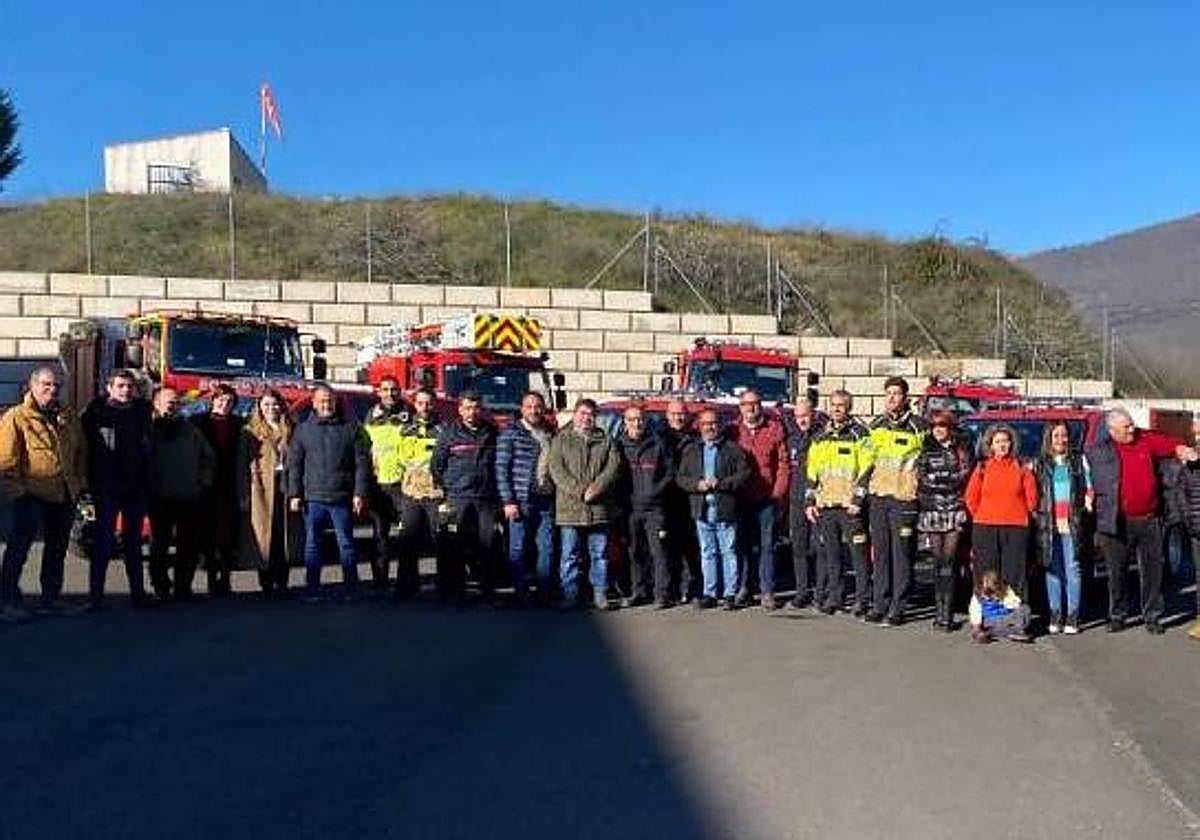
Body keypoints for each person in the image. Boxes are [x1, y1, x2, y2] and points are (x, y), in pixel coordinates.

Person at [1088, 407, 1197, 634]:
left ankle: (1152, 615)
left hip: (1149, 519)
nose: (1132, 429)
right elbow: (1085, 474)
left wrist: (1181, 449)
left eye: (1131, 424)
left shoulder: (1144, 439)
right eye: (1126, 427)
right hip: (1117, 520)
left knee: (1152, 571)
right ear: (1112, 431)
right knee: (1116, 572)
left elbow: (1169, 445)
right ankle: (1118, 615)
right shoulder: (1099, 450)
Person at [0, 365, 88, 621]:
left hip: (64, 495)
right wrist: (19, 492)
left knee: (56, 550)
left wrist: (79, 485)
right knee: (18, 550)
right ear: (32, 386)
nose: (52, 390)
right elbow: (6, 460)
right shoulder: (17, 417)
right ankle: (7, 601)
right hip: (31, 496)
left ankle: (51, 598)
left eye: (56, 385)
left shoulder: (68, 417)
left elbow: (81, 452)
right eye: (46, 384)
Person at [288, 385, 370, 602]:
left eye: (330, 400)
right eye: (322, 400)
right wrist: (294, 494)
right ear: (314, 403)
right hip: (312, 498)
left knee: (346, 544)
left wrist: (359, 493)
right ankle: (312, 589)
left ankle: (351, 588)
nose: (327, 404)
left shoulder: (350, 428)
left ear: (336, 402)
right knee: (312, 545)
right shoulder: (303, 430)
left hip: (341, 497)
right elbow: (294, 465)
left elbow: (361, 465)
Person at [80, 369, 154, 610]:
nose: (125, 390)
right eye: (120, 386)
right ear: (109, 388)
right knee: (103, 541)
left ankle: (138, 594)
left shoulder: (142, 412)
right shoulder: (95, 413)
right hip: (106, 485)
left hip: (135, 486)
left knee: (134, 543)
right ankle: (95, 597)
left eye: (129, 386)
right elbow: (82, 447)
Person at [547, 398, 623, 610]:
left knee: (600, 554)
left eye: (590, 414)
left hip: (599, 507)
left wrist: (596, 488)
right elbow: (556, 469)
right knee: (569, 555)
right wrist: (580, 491)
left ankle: (600, 594)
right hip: (570, 508)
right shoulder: (561, 440)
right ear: (574, 415)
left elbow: (613, 467)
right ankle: (570, 595)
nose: (586, 418)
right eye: (582, 413)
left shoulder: (605, 440)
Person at [865, 376, 928, 626]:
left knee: (901, 554)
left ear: (905, 397)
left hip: (905, 498)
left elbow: (926, 462)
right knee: (880, 553)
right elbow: (867, 462)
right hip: (879, 497)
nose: (892, 397)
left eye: (897, 393)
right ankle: (880, 603)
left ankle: (898, 607)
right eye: (888, 393)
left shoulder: (919, 426)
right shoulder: (876, 425)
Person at [805, 390, 874, 616]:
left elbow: (867, 468)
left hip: (850, 506)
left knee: (858, 555)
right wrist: (810, 501)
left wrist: (858, 499)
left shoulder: (860, 434)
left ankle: (863, 599)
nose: (836, 409)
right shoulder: (820, 436)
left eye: (841, 405)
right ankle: (836, 596)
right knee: (831, 554)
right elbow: (812, 472)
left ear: (849, 408)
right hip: (826, 505)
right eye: (833, 405)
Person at [677, 408, 751, 610]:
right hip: (701, 510)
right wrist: (696, 485)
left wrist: (722, 483)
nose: (710, 427)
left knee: (729, 552)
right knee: (707, 552)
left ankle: (730, 594)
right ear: (699, 426)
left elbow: (744, 475)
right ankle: (709, 593)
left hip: (725, 508)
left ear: (720, 425)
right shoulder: (692, 450)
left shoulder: (732, 449)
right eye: (705, 424)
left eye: (713, 423)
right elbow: (681, 478)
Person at [148, 386, 216, 601]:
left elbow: (208, 457)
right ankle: (161, 586)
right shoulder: (148, 430)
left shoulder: (190, 429)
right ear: (156, 403)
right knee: (159, 545)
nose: (173, 405)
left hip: (188, 496)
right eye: (168, 401)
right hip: (160, 497)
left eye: (176, 401)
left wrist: (203, 483)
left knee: (188, 546)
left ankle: (183, 587)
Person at [432, 390, 500, 603]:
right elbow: (437, 465)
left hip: (485, 497)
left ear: (481, 409)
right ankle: (456, 592)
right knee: (454, 544)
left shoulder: (491, 432)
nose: (472, 412)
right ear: (460, 409)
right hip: (458, 497)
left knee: (488, 544)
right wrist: (449, 487)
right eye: (467, 408)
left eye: (476, 407)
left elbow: (497, 463)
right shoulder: (449, 433)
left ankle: (488, 591)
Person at [728, 388, 790, 609]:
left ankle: (767, 591)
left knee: (767, 546)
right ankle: (743, 587)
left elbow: (783, 464)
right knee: (741, 546)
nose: (751, 408)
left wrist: (778, 494)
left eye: (755, 403)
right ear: (740, 407)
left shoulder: (774, 429)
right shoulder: (732, 431)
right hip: (740, 499)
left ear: (761, 406)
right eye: (746, 404)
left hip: (766, 499)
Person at [1031, 421, 1094, 635]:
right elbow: (1035, 494)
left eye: (1064, 435)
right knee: (1052, 570)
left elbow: (1088, 486)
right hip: (1048, 524)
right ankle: (1055, 615)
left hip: (1071, 523)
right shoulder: (1039, 464)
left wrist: (1088, 503)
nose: (1061, 440)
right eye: (1056, 435)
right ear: (1049, 438)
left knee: (1073, 569)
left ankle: (1072, 616)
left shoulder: (1078, 461)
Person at [496, 391, 557, 605]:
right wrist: (508, 501)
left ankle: (544, 592)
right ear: (522, 409)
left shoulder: (550, 432)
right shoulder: (510, 433)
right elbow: (501, 470)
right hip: (520, 500)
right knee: (518, 548)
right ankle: (521, 593)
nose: (534, 410)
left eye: (537, 406)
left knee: (547, 548)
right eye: (529, 406)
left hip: (546, 499)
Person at [237, 390, 299, 596]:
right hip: (261, 489)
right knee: (265, 536)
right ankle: (266, 581)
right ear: (259, 408)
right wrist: (243, 495)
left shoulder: (291, 428)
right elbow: (241, 466)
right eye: (266, 405)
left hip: (285, 486)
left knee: (284, 536)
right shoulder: (250, 432)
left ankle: (282, 581)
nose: (271, 408)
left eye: (274, 404)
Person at [916, 410, 972, 631]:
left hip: (954, 510)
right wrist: (945, 480)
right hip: (931, 510)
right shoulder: (926, 450)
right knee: (937, 561)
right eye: (934, 426)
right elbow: (922, 478)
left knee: (950, 561)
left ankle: (947, 614)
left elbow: (963, 476)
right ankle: (938, 611)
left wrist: (939, 479)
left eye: (942, 425)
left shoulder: (961, 450)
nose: (937, 430)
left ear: (950, 427)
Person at [618, 404, 675, 608]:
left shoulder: (657, 444)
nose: (637, 423)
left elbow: (670, 472)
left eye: (640, 419)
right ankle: (638, 592)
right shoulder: (619, 446)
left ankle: (661, 594)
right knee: (634, 552)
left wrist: (656, 490)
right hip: (630, 508)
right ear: (625, 422)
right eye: (632, 419)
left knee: (658, 552)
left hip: (655, 509)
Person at [393, 388, 444, 600]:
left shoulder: (444, 430)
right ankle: (405, 587)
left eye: (429, 403)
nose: (425, 407)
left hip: (435, 495)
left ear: (434, 404)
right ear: (415, 405)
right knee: (406, 542)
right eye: (421, 403)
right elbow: (399, 460)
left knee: (441, 541)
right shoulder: (405, 430)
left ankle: (445, 588)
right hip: (411, 494)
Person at [194, 383, 243, 596]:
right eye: (221, 400)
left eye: (229, 401)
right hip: (206, 484)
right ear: (213, 400)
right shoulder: (198, 423)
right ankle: (211, 578)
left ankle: (225, 577)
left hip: (229, 484)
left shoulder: (239, 425)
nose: (225, 404)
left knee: (228, 533)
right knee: (208, 532)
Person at [362, 377, 408, 591]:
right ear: (379, 392)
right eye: (385, 389)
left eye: (394, 389)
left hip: (402, 485)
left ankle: (405, 581)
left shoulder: (409, 416)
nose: (390, 393)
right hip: (378, 485)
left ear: (399, 392)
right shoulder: (371, 417)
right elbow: (363, 451)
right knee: (380, 536)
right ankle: (380, 581)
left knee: (407, 537)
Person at [783, 400, 820, 609]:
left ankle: (821, 591)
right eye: (798, 417)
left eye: (805, 415)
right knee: (799, 547)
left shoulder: (821, 437)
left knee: (820, 548)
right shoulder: (791, 439)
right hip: (796, 499)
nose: (802, 420)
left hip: (818, 500)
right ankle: (802, 590)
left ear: (813, 415)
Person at [662, 400, 700, 603]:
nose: (678, 417)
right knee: (667, 547)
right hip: (665, 499)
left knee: (690, 547)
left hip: (690, 499)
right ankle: (670, 588)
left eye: (681, 414)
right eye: (674, 414)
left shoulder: (696, 439)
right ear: (667, 416)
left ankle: (690, 588)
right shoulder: (659, 438)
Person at [1172, 414, 1200, 642]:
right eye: (1196, 433)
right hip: (1197, 526)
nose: (1197, 437)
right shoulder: (1189, 460)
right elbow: (1180, 491)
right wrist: (1188, 518)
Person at [968, 569, 1032, 644]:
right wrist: (977, 626)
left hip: (1006, 618)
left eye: (993, 592)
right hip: (990, 621)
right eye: (988, 592)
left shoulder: (1005, 589)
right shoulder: (978, 595)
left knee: (1025, 608)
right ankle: (989, 633)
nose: (991, 595)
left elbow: (1016, 604)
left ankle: (1015, 631)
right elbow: (975, 611)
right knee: (986, 626)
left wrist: (1002, 597)